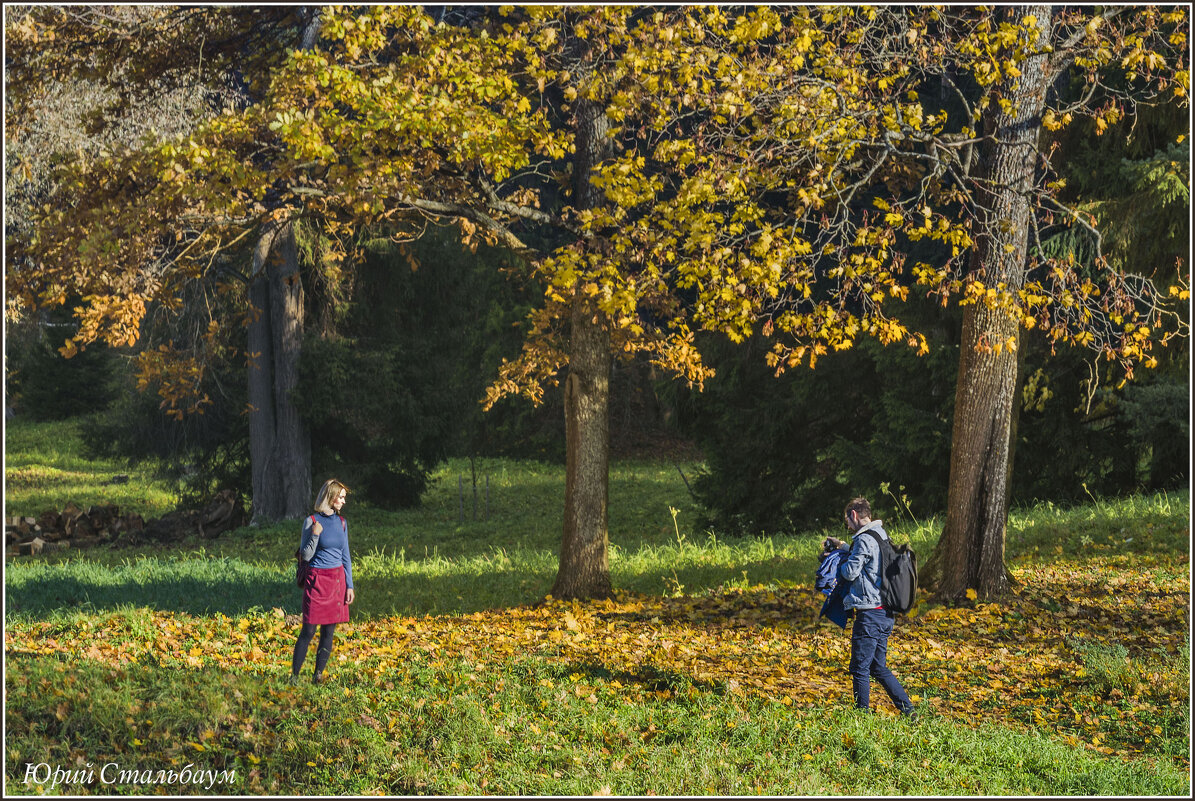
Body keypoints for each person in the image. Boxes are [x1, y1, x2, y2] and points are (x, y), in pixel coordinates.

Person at [838, 496, 915, 717]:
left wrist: (838, 561)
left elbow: (850, 571)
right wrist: (844, 547)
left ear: (853, 515)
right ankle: (908, 710)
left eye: (848, 521)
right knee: (877, 667)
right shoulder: (880, 534)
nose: (849, 526)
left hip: (869, 614)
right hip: (885, 612)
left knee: (859, 668)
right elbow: (870, 560)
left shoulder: (863, 540)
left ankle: (861, 718)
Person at [291, 479, 355, 684]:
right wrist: (315, 535)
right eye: (341, 497)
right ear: (331, 496)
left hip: (337, 581)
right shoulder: (311, 521)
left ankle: (318, 675)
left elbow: (346, 556)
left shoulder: (342, 523)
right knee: (308, 630)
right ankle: (294, 676)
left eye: (344, 498)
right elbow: (306, 555)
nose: (343, 501)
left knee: (329, 631)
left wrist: (350, 585)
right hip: (317, 580)